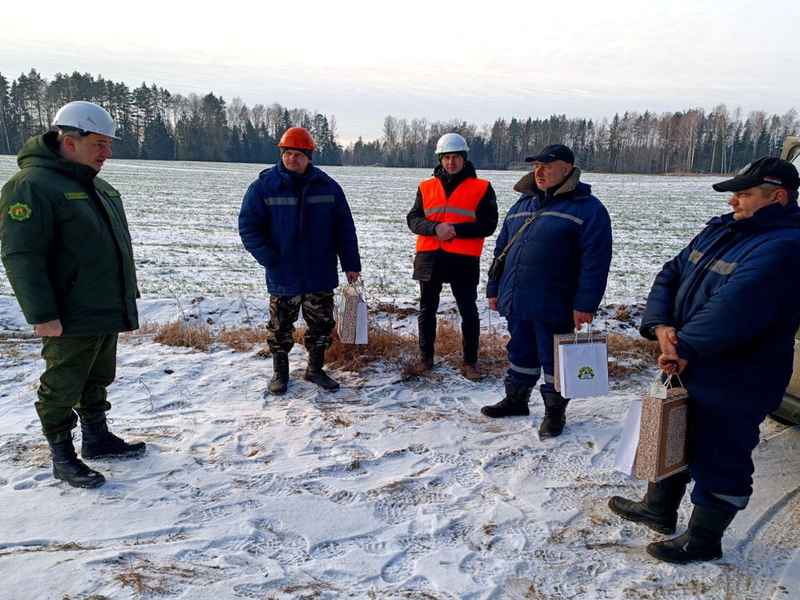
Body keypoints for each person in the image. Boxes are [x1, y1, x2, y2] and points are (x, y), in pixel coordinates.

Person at [608, 157, 800, 564]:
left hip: (739, 374)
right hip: (688, 357)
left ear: (778, 197)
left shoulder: (786, 247)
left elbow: (735, 307)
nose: (733, 200)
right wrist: (660, 325)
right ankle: (658, 508)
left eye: (745, 193)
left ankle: (704, 540)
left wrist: (680, 347)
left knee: (720, 452)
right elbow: (670, 272)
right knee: (674, 432)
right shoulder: (722, 230)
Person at [0, 101, 145, 489]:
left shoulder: (94, 186)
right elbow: (22, 256)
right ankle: (63, 455)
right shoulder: (31, 186)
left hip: (103, 305)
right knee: (62, 384)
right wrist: (41, 314)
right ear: (68, 141)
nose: (106, 152)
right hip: (68, 311)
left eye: (108, 144)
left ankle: (96, 437)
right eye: (99, 143)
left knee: (98, 376)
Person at [482, 144, 612, 438]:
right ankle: (516, 400)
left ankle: (555, 413)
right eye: (536, 166)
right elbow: (502, 250)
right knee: (519, 350)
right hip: (517, 298)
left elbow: (596, 263)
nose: (539, 171)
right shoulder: (521, 205)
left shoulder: (589, 210)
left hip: (556, 302)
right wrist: (494, 287)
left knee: (554, 360)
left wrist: (586, 304)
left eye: (547, 166)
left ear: (567, 169)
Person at [239, 127, 361, 395]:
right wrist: (269, 258)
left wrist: (351, 264)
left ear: (309, 157)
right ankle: (280, 374)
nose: (291, 159)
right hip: (283, 274)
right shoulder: (263, 187)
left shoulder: (328, 187)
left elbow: (344, 229)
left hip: (320, 272)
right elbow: (248, 227)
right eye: (287, 153)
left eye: (297, 154)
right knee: (280, 328)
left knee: (321, 326)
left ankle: (315, 369)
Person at [405, 133, 498, 380]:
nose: (450, 163)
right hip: (430, 257)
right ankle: (426, 359)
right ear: (440, 159)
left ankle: (470, 362)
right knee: (427, 310)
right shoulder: (425, 187)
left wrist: (456, 230)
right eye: (446, 158)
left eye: (455, 157)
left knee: (468, 311)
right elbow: (413, 219)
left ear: (464, 158)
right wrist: (435, 229)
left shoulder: (482, 187)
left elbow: (489, 224)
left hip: (463, 259)